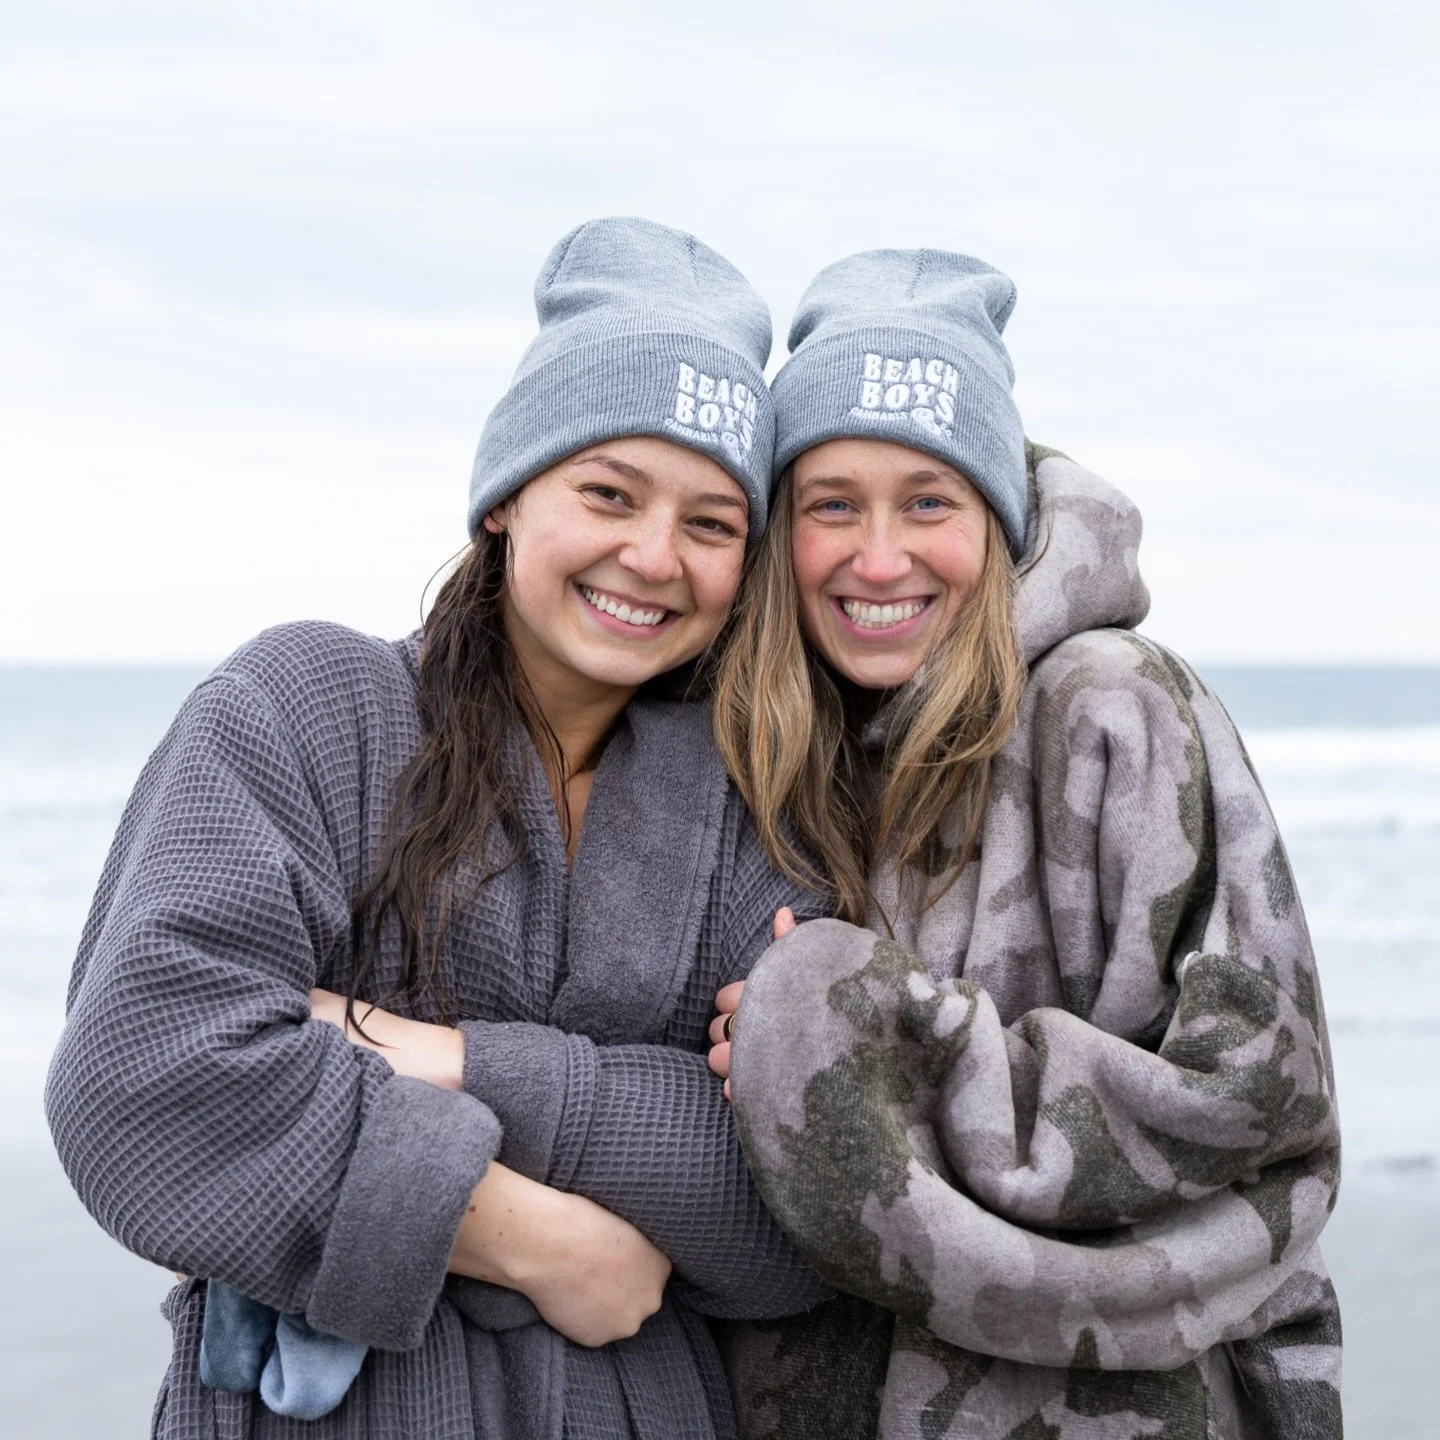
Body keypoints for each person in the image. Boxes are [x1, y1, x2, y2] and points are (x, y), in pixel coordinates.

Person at [44, 217, 831, 1440]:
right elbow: (145, 1084)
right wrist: (534, 1239)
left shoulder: (752, 811)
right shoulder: (304, 708)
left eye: (712, 523)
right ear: (509, 498)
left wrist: (429, 1054)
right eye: (609, 493)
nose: (652, 556)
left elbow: (801, 1200)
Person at [706, 250, 1342, 1438]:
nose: (878, 557)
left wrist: (879, 1048)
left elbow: (1255, 1104)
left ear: (998, 518)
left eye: (930, 502)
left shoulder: (1113, 708)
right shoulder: (773, 736)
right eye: (832, 503)